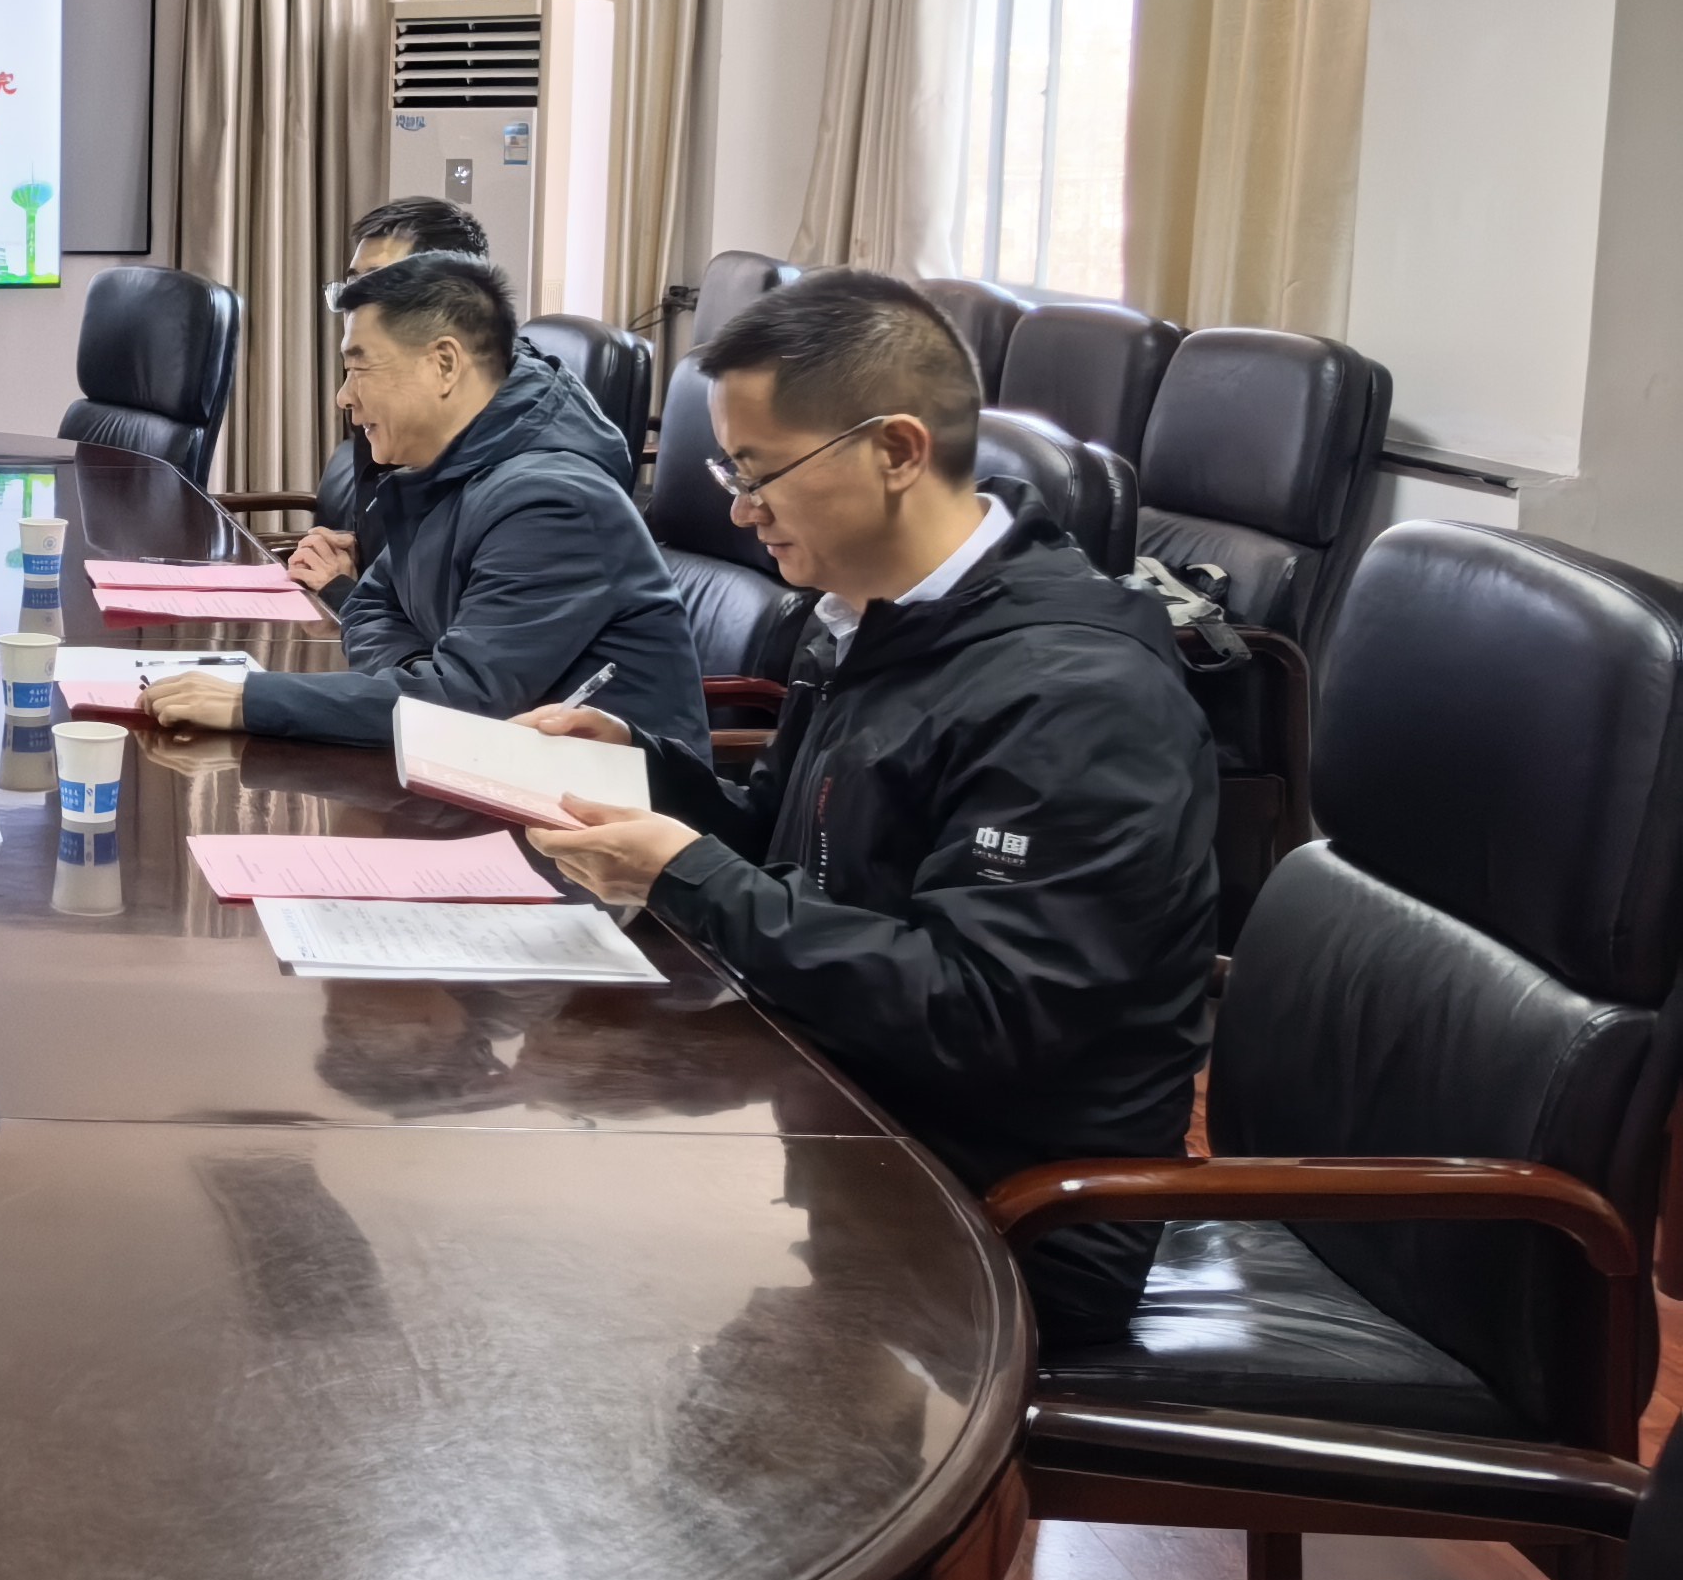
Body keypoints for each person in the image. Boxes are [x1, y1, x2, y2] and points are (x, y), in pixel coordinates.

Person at [508, 269, 1218, 1350]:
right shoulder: (867, 617)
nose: (740, 510)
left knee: (562, 1300)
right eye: (730, 471)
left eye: (760, 473)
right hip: (844, 1114)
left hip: (1002, 1219)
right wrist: (645, 777)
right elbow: (798, 849)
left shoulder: (1078, 697)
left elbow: (982, 1010)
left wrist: (685, 876)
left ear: (895, 451)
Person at [145, 251, 706, 763]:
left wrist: (249, 701)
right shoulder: (448, 468)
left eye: (360, 368)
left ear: (444, 364)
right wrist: (419, 678)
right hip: (498, 773)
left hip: (609, 814)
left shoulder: (554, 504)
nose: (344, 396)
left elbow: (460, 705)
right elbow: (371, 605)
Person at [293, 194, 633, 600]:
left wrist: (343, 592)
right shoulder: (395, 387)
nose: (357, 308)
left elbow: (456, 618)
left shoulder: (542, 491)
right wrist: (359, 563)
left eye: (381, 285)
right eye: (354, 286)